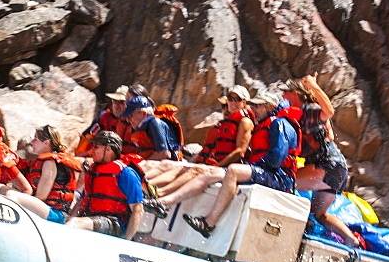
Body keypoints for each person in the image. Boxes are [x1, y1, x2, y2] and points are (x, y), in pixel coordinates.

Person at [178, 91, 301, 236]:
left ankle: (208, 223)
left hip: (281, 178)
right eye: (253, 106)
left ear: (269, 106)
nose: (253, 109)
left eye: (257, 106)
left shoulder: (279, 123)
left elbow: (277, 158)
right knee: (212, 173)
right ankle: (164, 202)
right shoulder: (264, 124)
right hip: (268, 172)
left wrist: (251, 168)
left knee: (234, 171)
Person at [282, 75, 358, 248]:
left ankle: (301, 226)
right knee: (320, 214)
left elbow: (329, 111)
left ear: (294, 93)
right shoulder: (304, 116)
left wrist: (314, 86)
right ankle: (350, 239)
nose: (282, 96)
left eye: (284, 92)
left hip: (328, 166)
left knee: (286, 182)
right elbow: (329, 136)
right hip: (338, 169)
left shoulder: (309, 111)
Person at [67, 131, 144, 240]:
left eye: (96, 147)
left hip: (114, 223)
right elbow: (83, 200)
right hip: (90, 218)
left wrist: (127, 239)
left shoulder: (126, 173)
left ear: (108, 149)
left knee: (75, 223)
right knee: (70, 221)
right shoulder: (93, 170)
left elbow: (137, 209)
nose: (91, 150)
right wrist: (70, 217)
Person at [5, 125, 82, 224]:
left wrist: (24, 200)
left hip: (56, 214)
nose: (31, 143)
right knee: (4, 189)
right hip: (47, 209)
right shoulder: (46, 160)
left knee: (12, 195)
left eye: (35, 139)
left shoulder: (50, 162)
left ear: (46, 143)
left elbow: (41, 196)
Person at [75, 86, 129, 156]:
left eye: (121, 102)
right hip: (94, 155)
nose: (116, 105)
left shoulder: (132, 122)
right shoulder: (103, 116)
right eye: (114, 101)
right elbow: (85, 135)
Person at [126, 96, 178, 160]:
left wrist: (142, 163)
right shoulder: (141, 127)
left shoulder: (155, 123)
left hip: (167, 165)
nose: (128, 120)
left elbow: (164, 154)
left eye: (130, 115)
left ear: (144, 113)